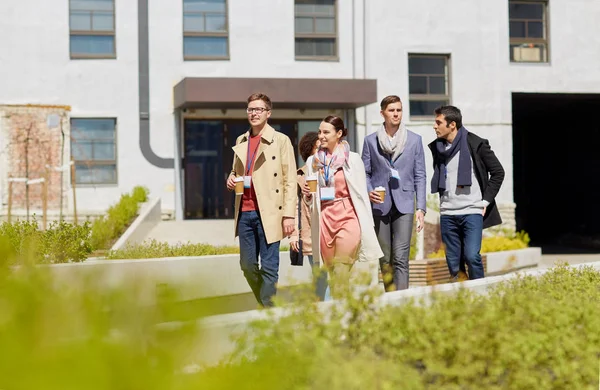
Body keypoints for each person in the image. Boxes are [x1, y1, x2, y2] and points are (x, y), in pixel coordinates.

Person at [226, 93, 297, 307]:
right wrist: (230, 178)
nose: (254, 113)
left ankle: (267, 310)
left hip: (271, 212)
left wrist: (288, 215)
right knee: (247, 265)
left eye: (258, 109)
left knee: (269, 266)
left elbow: (290, 180)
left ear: (268, 113)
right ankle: (268, 305)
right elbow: (235, 171)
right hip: (245, 211)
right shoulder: (241, 140)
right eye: (250, 109)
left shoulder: (281, 141)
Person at [301, 116, 383, 296]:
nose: (321, 136)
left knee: (341, 269)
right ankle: (343, 313)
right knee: (335, 276)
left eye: (326, 132)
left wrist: (367, 224)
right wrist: (307, 194)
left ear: (338, 134)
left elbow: (360, 193)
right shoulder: (312, 162)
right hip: (325, 220)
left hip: (348, 217)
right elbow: (310, 200)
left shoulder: (352, 160)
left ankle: (342, 316)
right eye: (320, 132)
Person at [428, 105, 505, 281]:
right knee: (454, 263)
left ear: (452, 124)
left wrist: (485, 201)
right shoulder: (438, 148)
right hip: (448, 213)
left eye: (438, 122)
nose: (434, 126)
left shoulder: (476, 144)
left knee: (472, 256)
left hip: (472, 211)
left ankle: (480, 293)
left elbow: (498, 172)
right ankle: (460, 299)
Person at [361, 95, 427, 292]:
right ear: (382, 113)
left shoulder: (415, 140)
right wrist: (370, 190)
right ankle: (390, 297)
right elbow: (365, 171)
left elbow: (420, 175)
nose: (396, 113)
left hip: (405, 203)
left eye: (399, 110)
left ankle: (402, 300)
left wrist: (421, 208)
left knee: (400, 257)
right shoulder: (370, 141)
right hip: (380, 205)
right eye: (391, 110)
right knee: (385, 258)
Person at [289, 132, 329, 301]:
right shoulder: (300, 176)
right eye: (317, 147)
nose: (321, 151)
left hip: (332, 228)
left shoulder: (331, 169)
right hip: (312, 233)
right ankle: (323, 313)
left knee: (334, 274)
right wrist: (293, 235)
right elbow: (295, 208)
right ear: (309, 151)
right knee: (320, 275)